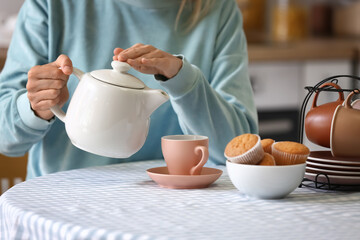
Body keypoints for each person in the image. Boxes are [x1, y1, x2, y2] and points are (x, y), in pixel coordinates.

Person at [0, 0, 258, 179]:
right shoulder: (50, 5)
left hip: (173, 205)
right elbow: (4, 138)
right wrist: (35, 106)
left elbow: (239, 150)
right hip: (61, 206)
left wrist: (183, 79)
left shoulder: (218, 10)